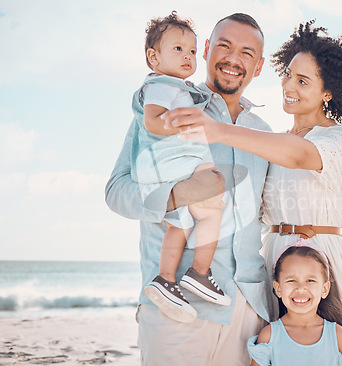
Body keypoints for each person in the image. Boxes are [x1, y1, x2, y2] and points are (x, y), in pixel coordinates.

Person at [106, 14, 342, 365]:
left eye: (246, 52)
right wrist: (180, 195)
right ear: (206, 50)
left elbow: (272, 212)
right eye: (224, 45)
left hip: (250, 309)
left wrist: (323, 243)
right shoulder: (169, 112)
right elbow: (116, 191)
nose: (233, 58)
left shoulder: (264, 132)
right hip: (179, 305)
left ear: (258, 67)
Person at [163, 20, 342, 358]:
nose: (289, 85)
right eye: (289, 74)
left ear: (328, 93)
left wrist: (217, 130)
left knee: (328, 352)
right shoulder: (272, 141)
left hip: (320, 262)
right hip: (275, 263)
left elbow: (300, 156)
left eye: (303, 81)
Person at [132, 12, 230, 324]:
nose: (187, 57)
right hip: (180, 165)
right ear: (154, 56)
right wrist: (186, 126)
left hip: (177, 167)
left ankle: (165, 278)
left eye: (190, 51)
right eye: (177, 50)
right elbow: (152, 121)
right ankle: (199, 273)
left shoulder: (175, 86)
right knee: (213, 212)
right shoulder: (163, 85)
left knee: (181, 223)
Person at [248, 239, 342, 365]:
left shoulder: (338, 335)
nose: (300, 288)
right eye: (291, 281)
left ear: (325, 289)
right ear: (278, 288)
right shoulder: (269, 336)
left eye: (310, 280)